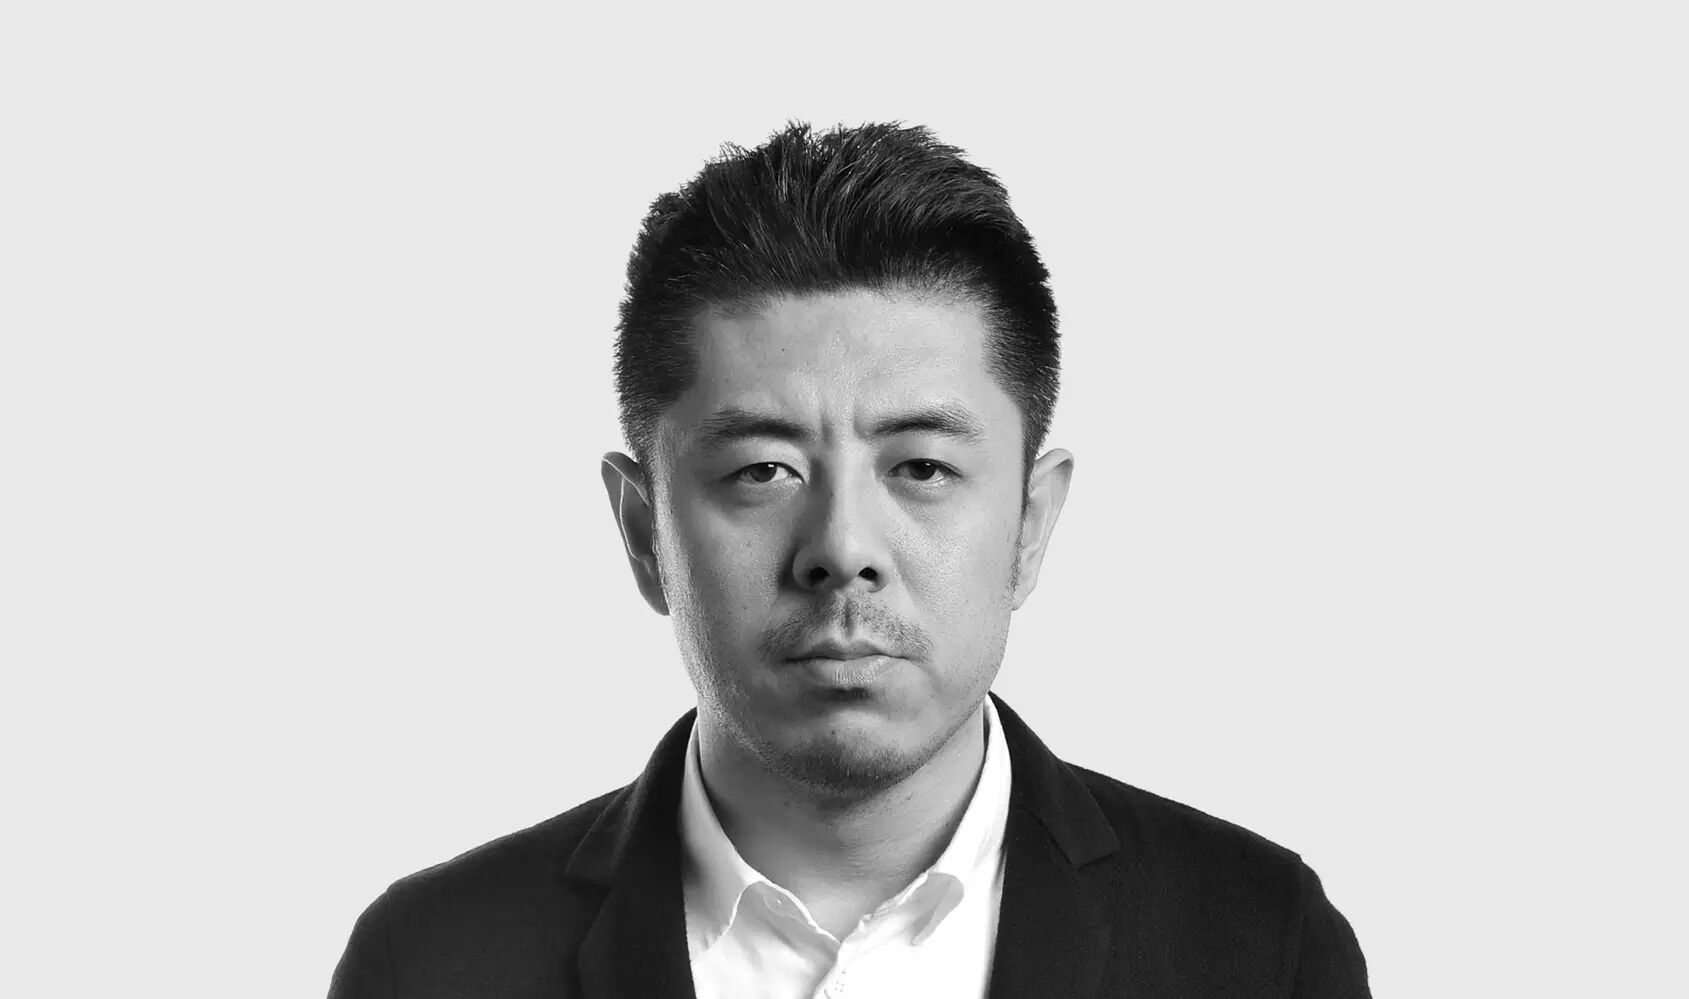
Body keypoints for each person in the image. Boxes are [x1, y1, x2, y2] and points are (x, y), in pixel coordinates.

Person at [328, 121, 1371, 998]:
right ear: (644, 530)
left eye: (921, 467)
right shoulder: (433, 963)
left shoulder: (1258, 944)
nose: (841, 549)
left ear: (1029, 524)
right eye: (763, 471)